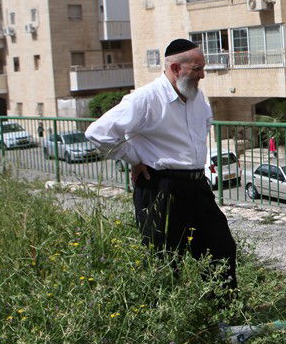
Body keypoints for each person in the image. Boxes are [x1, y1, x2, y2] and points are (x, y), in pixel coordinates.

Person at [85, 39, 237, 290]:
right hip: (160, 188)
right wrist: (134, 158)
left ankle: (224, 319)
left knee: (220, 249)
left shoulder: (197, 97)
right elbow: (98, 133)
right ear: (176, 68)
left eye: (203, 67)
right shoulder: (146, 98)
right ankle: (168, 324)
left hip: (197, 186)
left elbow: (200, 133)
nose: (203, 74)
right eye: (197, 68)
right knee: (164, 261)